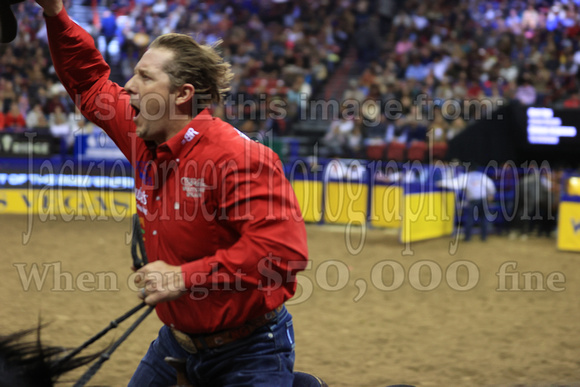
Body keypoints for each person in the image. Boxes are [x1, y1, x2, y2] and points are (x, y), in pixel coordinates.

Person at [36, 0, 309, 386]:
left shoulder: (238, 157)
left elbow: (282, 252)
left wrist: (183, 276)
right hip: (177, 343)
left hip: (251, 351)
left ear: (181, 95)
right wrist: (55, 14)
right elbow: (90, 83)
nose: (128, 86)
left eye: (145, 78)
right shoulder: (141, 129)